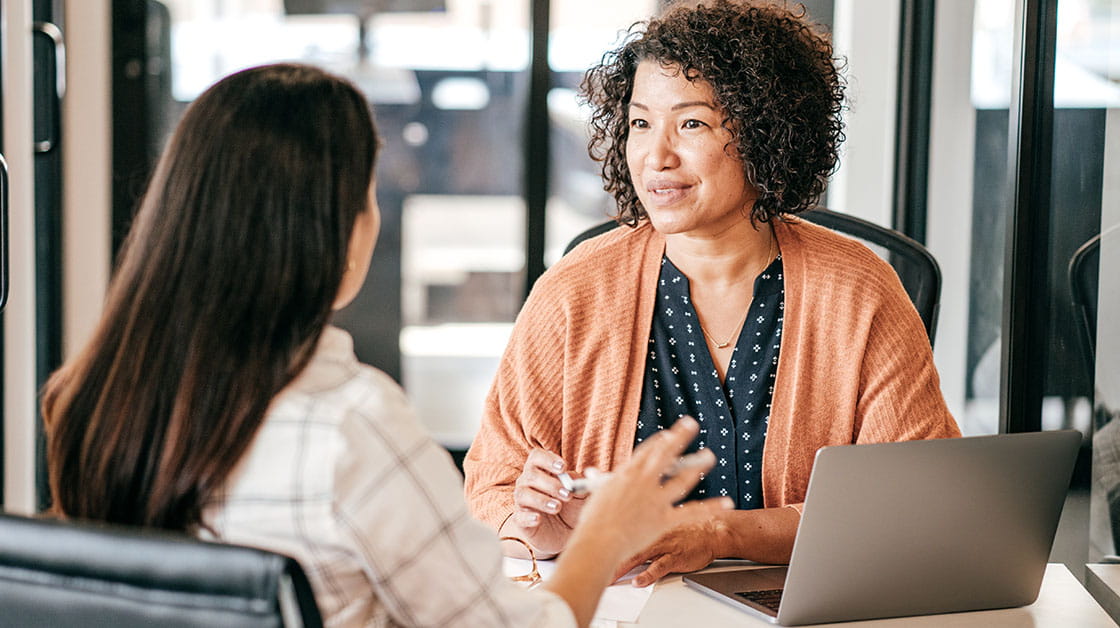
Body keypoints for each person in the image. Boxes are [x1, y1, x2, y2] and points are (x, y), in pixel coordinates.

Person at [41, 63, 731, 628]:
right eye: (369, 195)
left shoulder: (94, 401)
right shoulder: (352, 426)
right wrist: (606, 534)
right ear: (334, 231)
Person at [464, 0, 961, 587]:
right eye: (641, 123)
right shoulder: (575, 291)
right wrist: (545, 532)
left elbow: (913, 502)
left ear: (765, 131)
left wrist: (723, 533)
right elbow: (492, 488)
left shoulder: (858, 291)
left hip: (800, 612)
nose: (656, 157)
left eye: (691, 124)